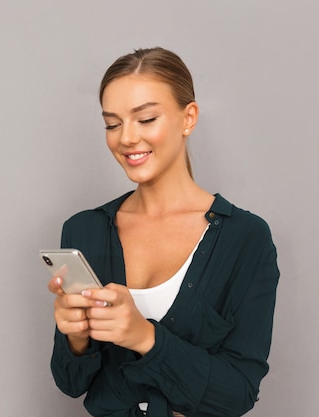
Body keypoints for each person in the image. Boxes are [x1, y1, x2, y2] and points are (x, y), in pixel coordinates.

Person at [47, 47, 279, 417]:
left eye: (146, 118)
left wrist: (144, 337)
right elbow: (70, 383)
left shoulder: (246, 239)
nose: (125, 138)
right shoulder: (83, 230)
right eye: (112, 123)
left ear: (188, 118)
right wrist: (75, 338)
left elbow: (237, 394)